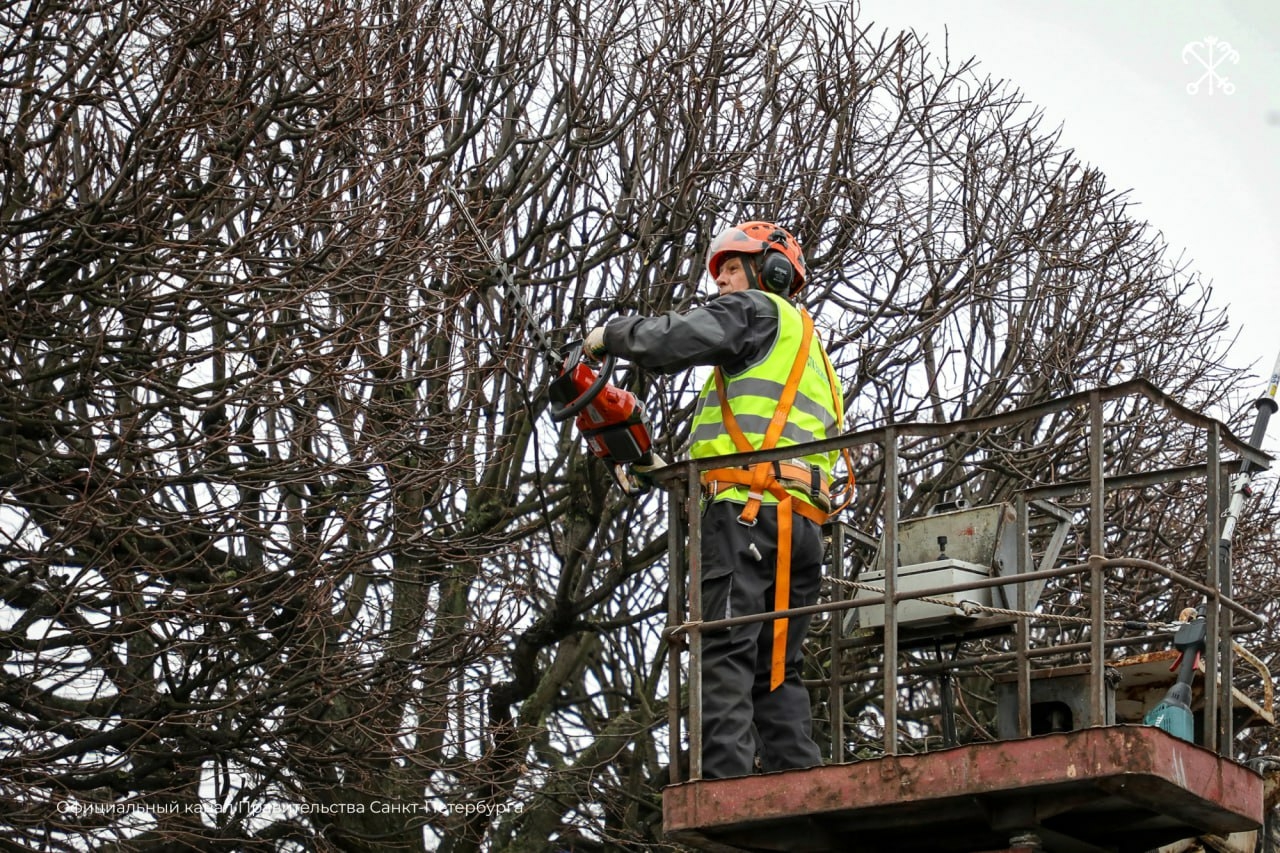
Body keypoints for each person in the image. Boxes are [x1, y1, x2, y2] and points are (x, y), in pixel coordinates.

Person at [585, 221, 846, 779]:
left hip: (748, 518)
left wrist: (612, 334)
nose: (722, 281)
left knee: (724, 648)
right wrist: (667, 474)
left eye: (731, 267)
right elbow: (755, 445)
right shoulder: (810, 354)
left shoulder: (759, 310)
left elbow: (674, 339)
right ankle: (798, 786)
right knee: (776, 670)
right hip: (796, 525)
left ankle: (725, 788)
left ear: (769, 272)